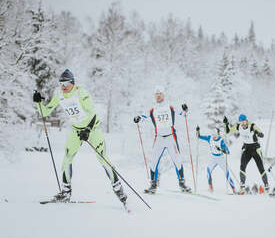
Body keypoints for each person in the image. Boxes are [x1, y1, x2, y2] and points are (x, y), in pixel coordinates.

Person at [33, 69, 127, 205]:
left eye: (66, 83)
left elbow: (94, 114)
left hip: (92, 129)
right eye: (61, 83)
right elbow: (46, 111)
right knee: (66, 159)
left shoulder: (81, 93)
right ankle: (65, 193)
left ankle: (119, 190)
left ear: (72, 83)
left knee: (102, 159)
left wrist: (88, 129)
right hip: (76, 131)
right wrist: (38, 103)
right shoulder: (59, 94)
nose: (63, 86)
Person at [134, 85, 191, 194]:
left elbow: (183, 114)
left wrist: (185, 109)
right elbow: (143, 116)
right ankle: (153, 185)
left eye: (160, 93)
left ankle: (182, 184)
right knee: (153, 161)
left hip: (171, 138)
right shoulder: (152, 109)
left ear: (164, 94)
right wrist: (138, 118)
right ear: (155, 96)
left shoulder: (170, 106)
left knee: (177, 160)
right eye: (156, 94)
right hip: (159, 138)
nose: (158, 96)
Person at [223, 114, 268, 195]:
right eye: (241, 122)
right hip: (246, 148)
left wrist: (257, 133)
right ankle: (242, 186)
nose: (243, 123)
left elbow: (262, 134)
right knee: (242, 166)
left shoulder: (252, 126)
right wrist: (226, 124)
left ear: (246, 120)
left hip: (255, 148)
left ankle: (266, 185)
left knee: (260, 167)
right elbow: (228, 131)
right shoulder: (238, 126)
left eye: (244, 121)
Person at [196, 126, 235, 193]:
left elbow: (228, 152)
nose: (214, 136)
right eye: (213, 135)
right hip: (213, 158)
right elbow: (199, 137)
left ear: (218, 134)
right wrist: (198, 131)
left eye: (215, 135)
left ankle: (233, 189)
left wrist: (221, 149)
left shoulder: (221, 141)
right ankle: (210, 187)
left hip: (220, 158)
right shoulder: (209, 138)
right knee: (208, 171)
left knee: (227, 173)